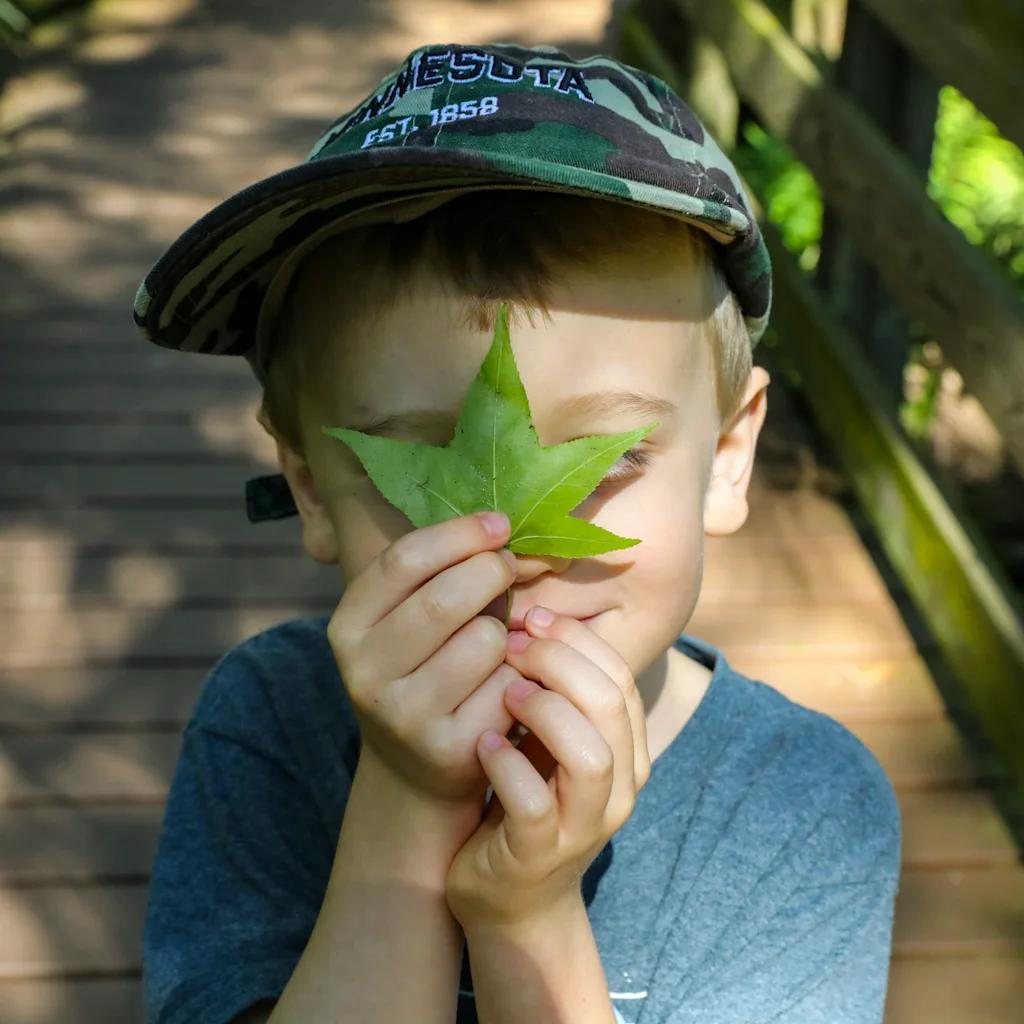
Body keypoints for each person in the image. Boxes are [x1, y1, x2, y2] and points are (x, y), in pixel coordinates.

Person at [135, 42, 901, 1024]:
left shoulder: (802, 810)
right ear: (311, 487)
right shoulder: (267, 725)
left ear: (725, 455)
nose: (518, 553)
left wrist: (529, 922)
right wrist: (405, 810)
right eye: (414, 458)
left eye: (610, 457)